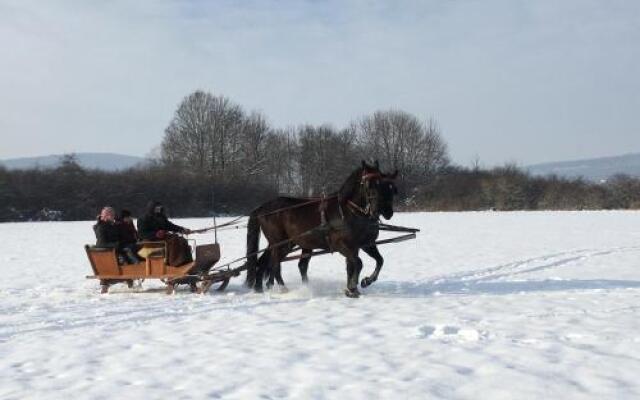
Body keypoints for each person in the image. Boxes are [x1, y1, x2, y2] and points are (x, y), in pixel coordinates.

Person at [137, 201, 193, 266]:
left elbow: (170, 226)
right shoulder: (143, 219)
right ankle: (174, 262)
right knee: (173, 241)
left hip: (162, 238)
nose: (158, 210)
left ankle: (187, 261)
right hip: (150, 240)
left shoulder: (161, 217)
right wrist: (155, 234)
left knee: (182, 240)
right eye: (157, 208)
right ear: (151, 208)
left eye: (159, 208)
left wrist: (182, 229)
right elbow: (141, 233)